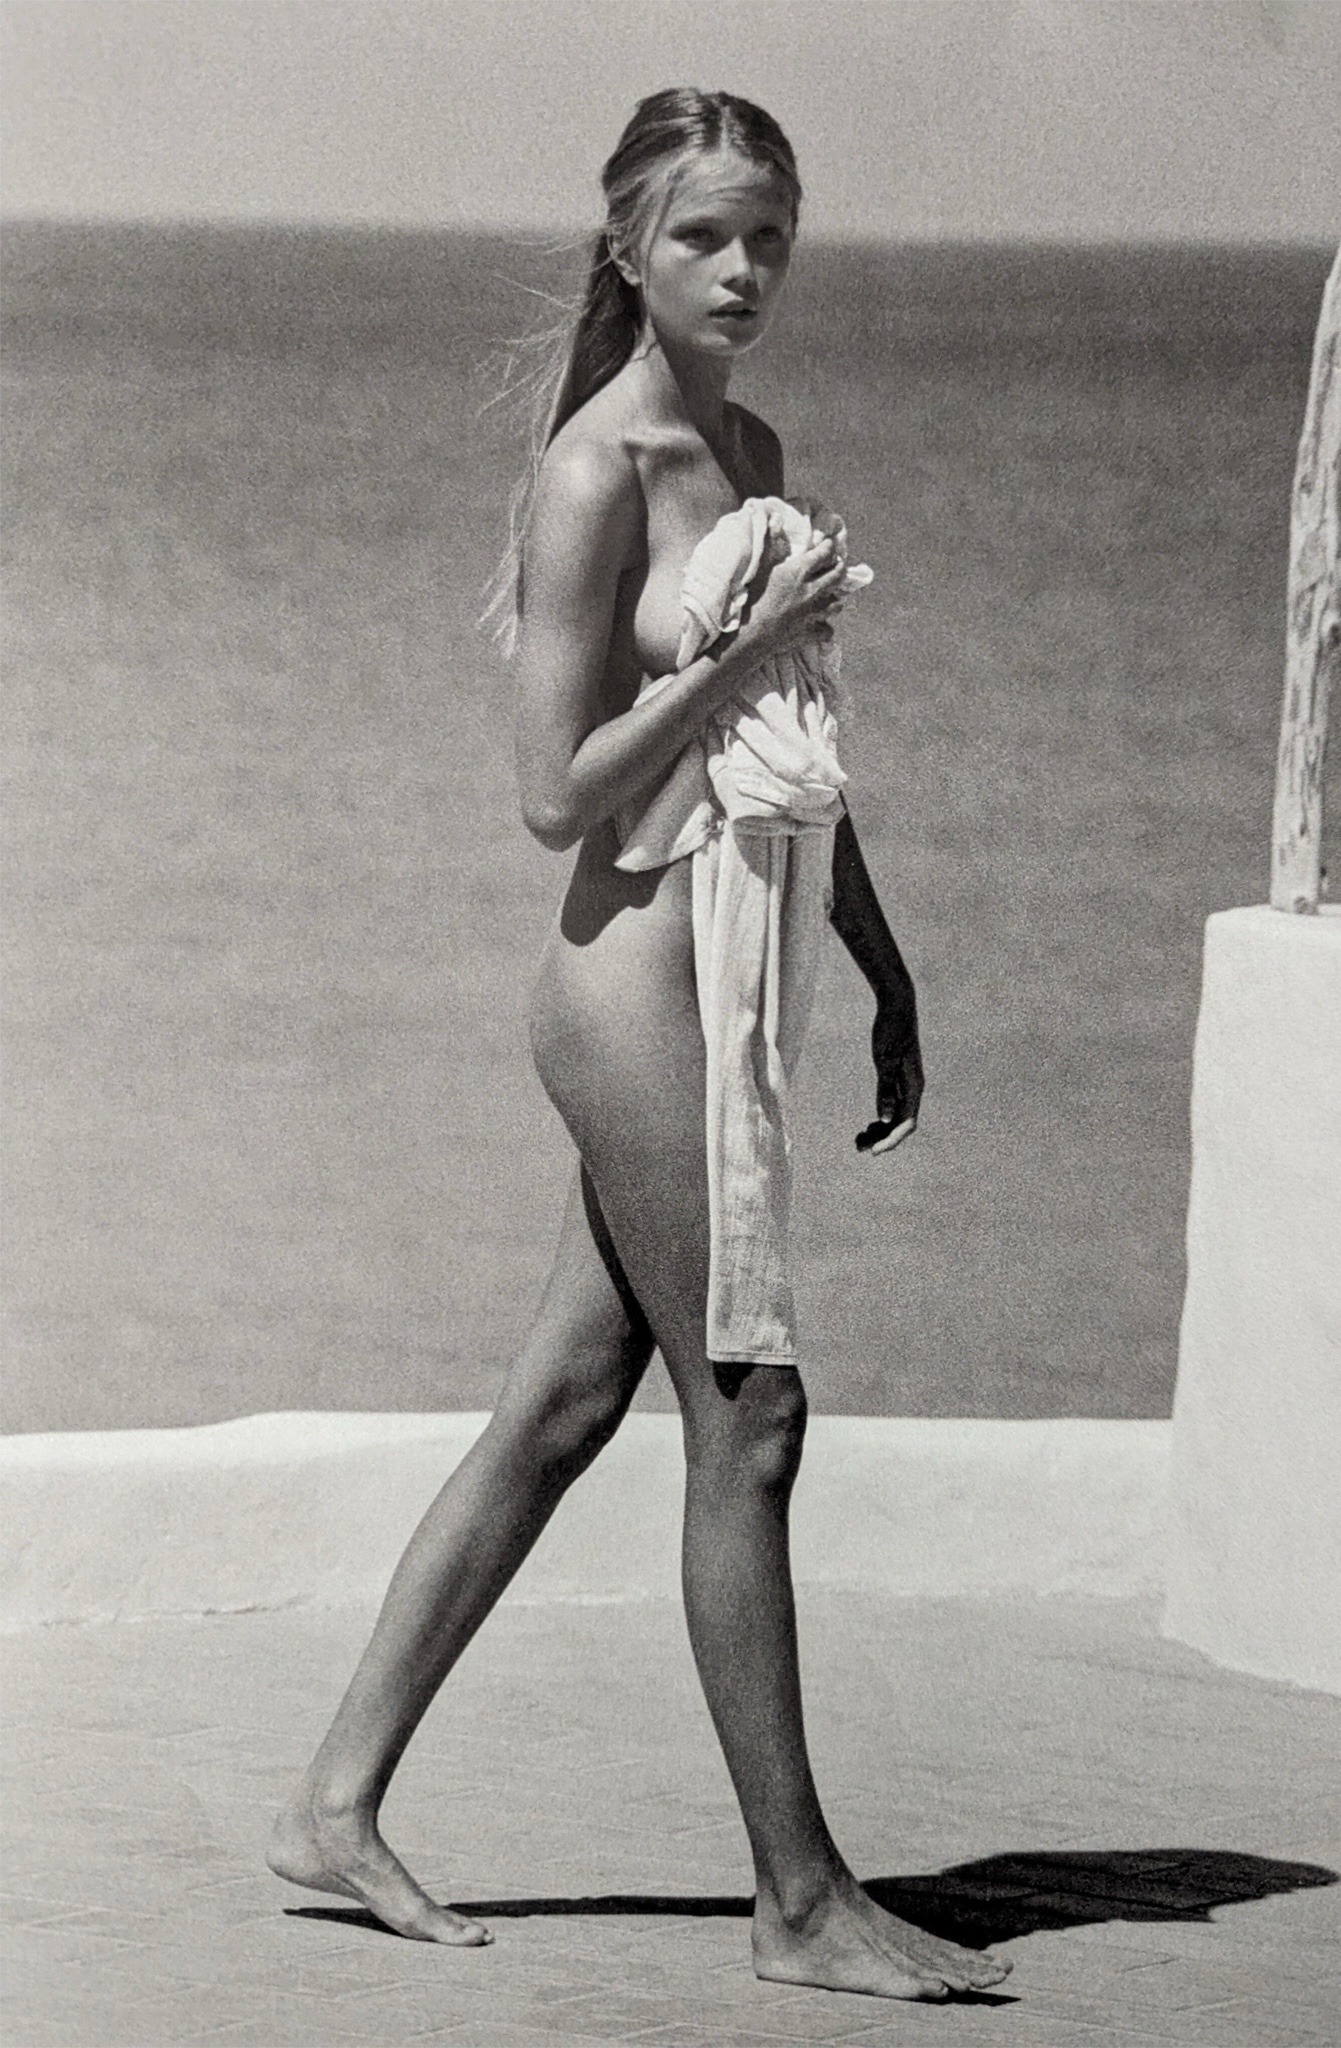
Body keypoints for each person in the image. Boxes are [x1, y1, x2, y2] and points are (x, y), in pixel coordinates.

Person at [270, 87, 1009, 2003]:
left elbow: (785, 749)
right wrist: (732, 652)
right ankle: (798, 1901)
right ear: (629, 246)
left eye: (768, 234)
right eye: (702, 235)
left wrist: (881, 958)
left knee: (565, 1406)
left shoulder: (749, 448)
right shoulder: (599, 468)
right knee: (751, 1418)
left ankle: (333, 1806)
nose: (742, 269)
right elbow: (553, 796)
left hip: (739, 969)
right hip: (624, 991)